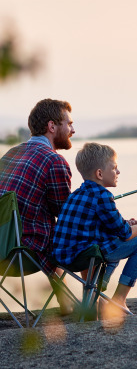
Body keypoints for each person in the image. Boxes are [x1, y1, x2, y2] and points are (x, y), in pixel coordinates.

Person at [52, 142, 137, 317]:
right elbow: (125, 234)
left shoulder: (75, 195)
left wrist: (126, 223)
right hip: (86, 256)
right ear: (100, 174)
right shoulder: (103, 196)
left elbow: (99, 224)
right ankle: (118, 299)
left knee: (112, 240)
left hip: (63, 258)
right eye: (115, 168)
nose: (118, 172)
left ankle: (96, 294)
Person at [0, 98, 75, 314]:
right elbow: (65, 216)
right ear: (52, 126)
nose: (73, 130)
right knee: (76, 232)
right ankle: (86, 305)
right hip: (23, 255)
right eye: (68, 124)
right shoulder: (54, 161)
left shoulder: (11, 153)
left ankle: (66, 302)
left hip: (2, 248)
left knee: (44, 229)